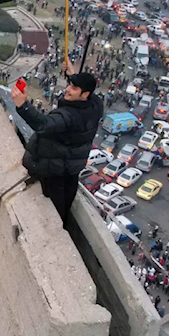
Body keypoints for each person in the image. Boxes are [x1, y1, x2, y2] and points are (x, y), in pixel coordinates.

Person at [12, 62, 104, 227]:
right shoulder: (96, 106)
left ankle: (56, 231)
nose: (68, 89)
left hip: (54, 169)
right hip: (71, 168)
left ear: (84, 94)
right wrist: (73, 74)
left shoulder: (68, 116)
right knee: (66, 202)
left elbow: (43, 124)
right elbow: (89, 92)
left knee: (55, 211)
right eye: (70, 85)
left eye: (74, 88)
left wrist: (23, 105)